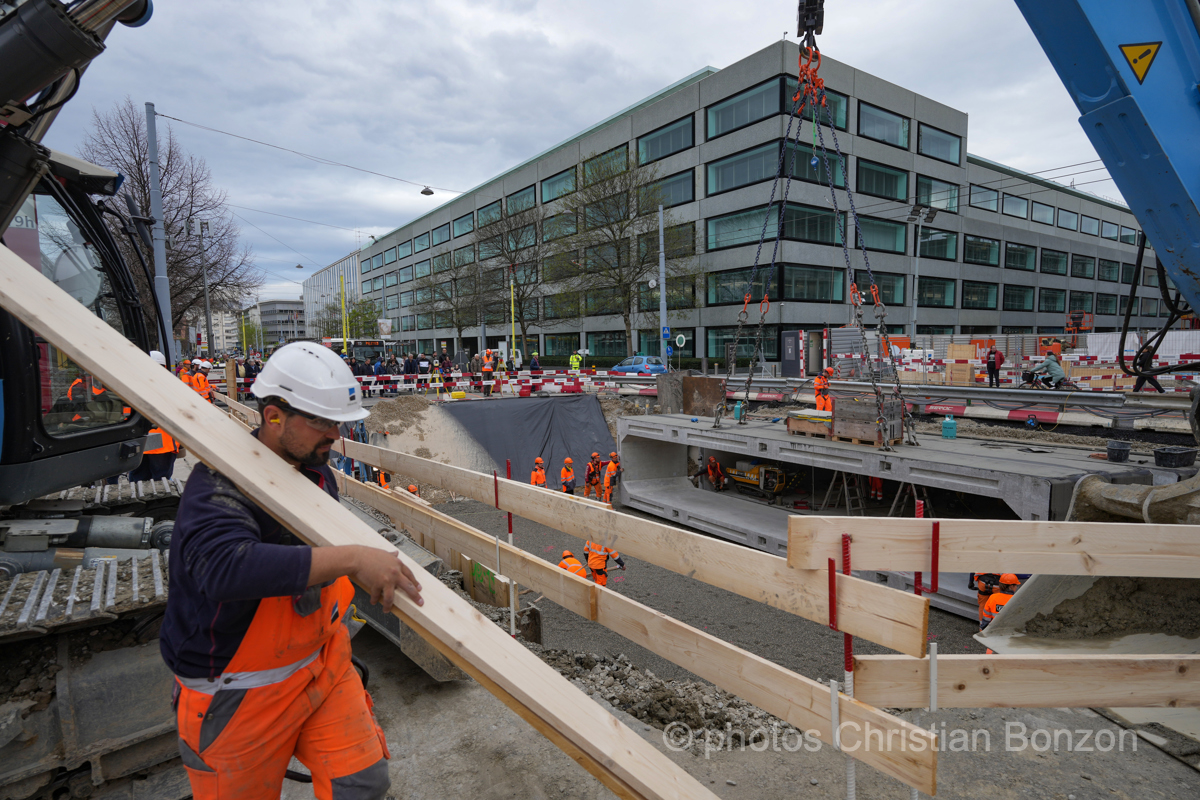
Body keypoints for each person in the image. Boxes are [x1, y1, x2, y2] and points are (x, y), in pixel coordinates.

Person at [161, 341, 423, 800]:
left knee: (361, 783)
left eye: (337, 423)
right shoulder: (219, 487)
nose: (334, 435)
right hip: (238, 691)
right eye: (321, 422)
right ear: (274, 415)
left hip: (320, 665)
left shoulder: (315, 469)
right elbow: (225, 568)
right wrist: (352, 559)